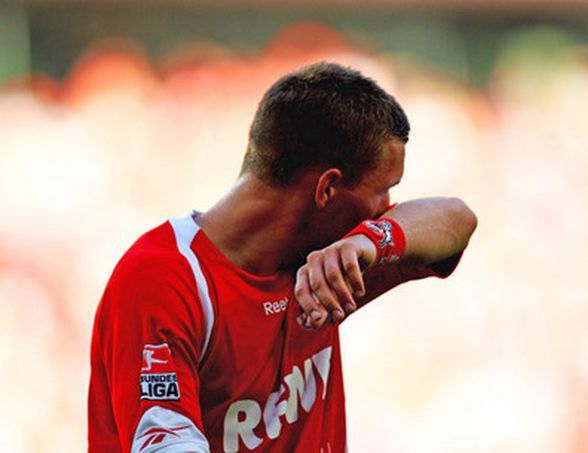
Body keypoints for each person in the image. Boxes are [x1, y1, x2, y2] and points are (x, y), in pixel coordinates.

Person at [88, 61, 477, 453]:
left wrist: (370, 242)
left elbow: (457, 220)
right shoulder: (164, 278)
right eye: (382, 190)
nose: (386, 207)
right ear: (327, 189)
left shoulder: (324, 260)